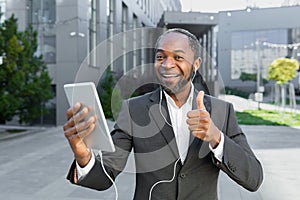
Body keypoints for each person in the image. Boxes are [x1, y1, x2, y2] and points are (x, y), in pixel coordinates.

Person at [63, 28, 263, 200]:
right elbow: (105, 176)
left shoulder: (222, 111)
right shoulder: (134, 110)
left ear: (196, 64)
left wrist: (216, 138)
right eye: (161, 57)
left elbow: (253, 178)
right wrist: (82, 154)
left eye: (178, 57)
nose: (167, 65)